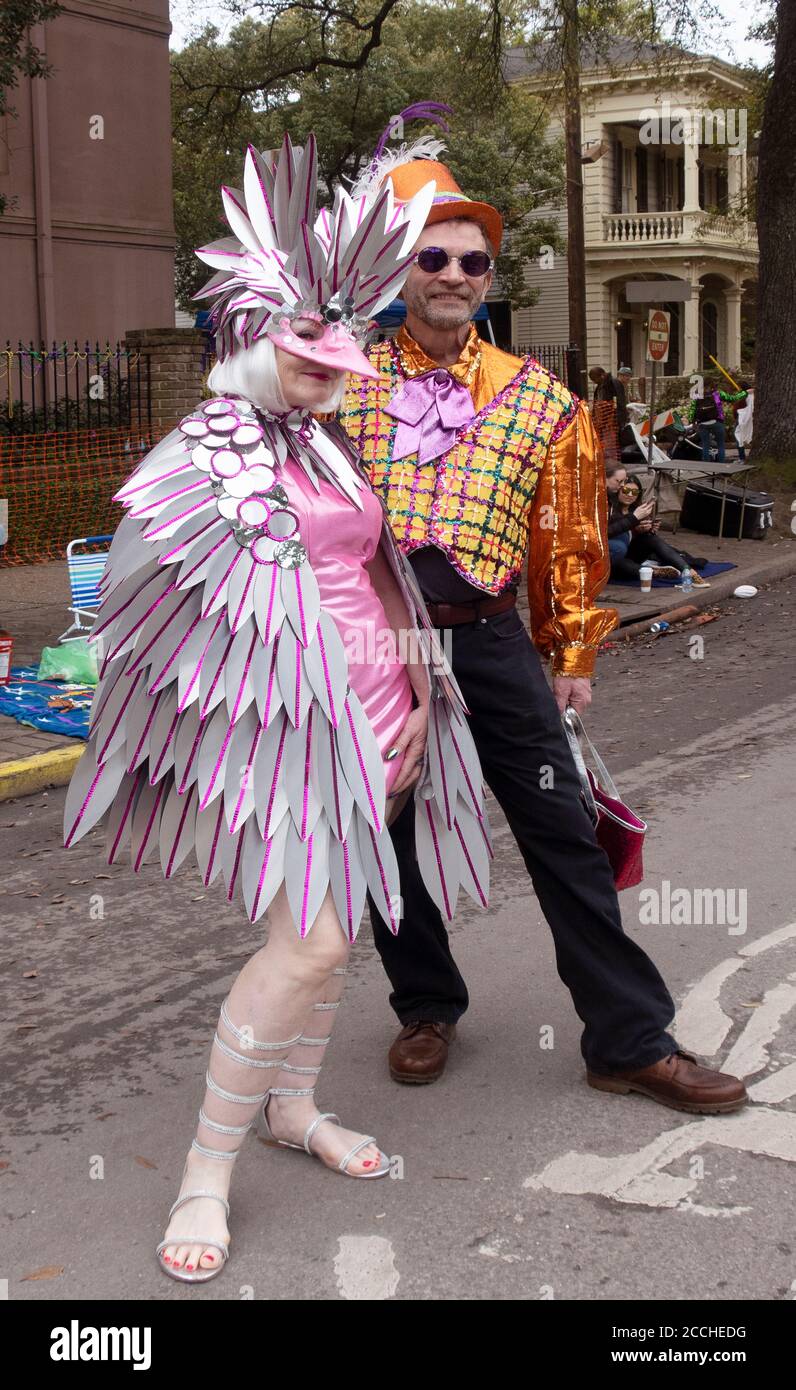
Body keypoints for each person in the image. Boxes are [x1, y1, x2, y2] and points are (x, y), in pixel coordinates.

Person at [62, 134, 490, 1284]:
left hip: (382, 728)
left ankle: (292, 1107)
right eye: (309, 336)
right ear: (250, 330)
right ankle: (208, 1168)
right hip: (292, 748)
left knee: (335, 931)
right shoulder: (204, 455)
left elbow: (381, 578)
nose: (335, 357)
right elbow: (156, 610)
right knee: (309, 943)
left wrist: (412, 698)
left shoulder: (323, 447)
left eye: (345, 336)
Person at [339, 136, 745, 1114]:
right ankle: (425, 1001)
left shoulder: (543, 403)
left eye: (470, 259)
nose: (452, 275)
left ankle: (627, 1038)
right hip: (373, 643)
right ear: (402, 269)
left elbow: (569, 540)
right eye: (431, 256)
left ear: (487, 277)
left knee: (560, 826)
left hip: (487, 635)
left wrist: (570, 653)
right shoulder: (339, 387)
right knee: (377, 830)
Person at [606, 465, 710, 585]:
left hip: (632, 552)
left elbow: (636, 537)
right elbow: (612, 532)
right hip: (616, 554)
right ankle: (653, 571)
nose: (630, 495)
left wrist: (648, 529)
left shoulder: (639, 509)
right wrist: (634, 525)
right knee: (619, 559)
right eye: (626, 491)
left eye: (634, 492)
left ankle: (690, 572)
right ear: (619, 490)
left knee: (651, 538)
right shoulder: (611, 508)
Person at [589, 365, 623, 458]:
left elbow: (619, 401)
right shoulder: (599, 387)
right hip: (602, 421)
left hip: (612, 420)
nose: (594, 381)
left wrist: (616, 418)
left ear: (602, 375)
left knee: (613, 444)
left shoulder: (613, 383)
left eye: (594, 378)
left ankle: (614, 462)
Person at [734, 382, 754, 462]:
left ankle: (742, 458)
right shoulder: (752, 394)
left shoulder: (744, 396)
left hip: (742, 418)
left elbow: (736, 405)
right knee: (741, 437)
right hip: (748, 418)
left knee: (739, 437)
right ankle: (742, 457)